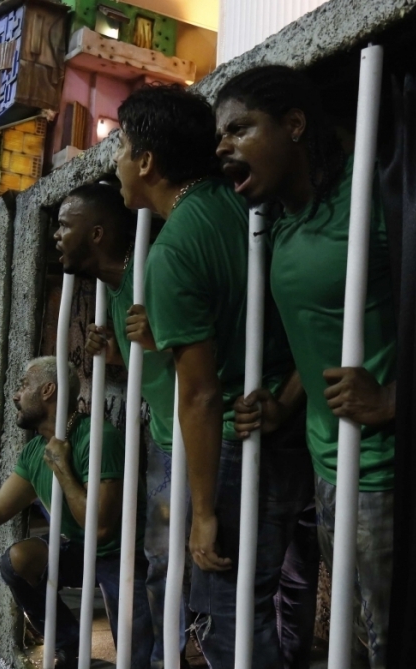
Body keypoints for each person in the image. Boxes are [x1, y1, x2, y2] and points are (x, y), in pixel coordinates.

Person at [114, 84, 319, 669]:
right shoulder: (245, 204)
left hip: (235, 444)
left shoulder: (174, 247)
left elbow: (200, 394)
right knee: (263, 599)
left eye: (122, 146)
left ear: (147, 162)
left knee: (223, 612)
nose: (118, 162)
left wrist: (202, 513)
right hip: (286, 427)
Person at [216, 64, 398, 668]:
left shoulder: (370, 197)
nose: (224, 146)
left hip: (381, 467)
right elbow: (314, 335)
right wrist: (285, 403)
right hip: (329, 460)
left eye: (240, 128)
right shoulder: (284, 223)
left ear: (294, 125)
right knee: (349, 637)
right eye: (221, 135)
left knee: (386, 641)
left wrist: (396, 399)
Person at [0, 357, 154, 669]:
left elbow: (101, 528)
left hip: (127, 556)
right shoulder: (36, 450)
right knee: (16, 561)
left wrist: (63, 469)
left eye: (24, 386)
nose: (15, 395)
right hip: (83, 551)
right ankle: (69, 644)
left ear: (48, 391)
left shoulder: (97, 437)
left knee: (140, 661)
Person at [54, 181, 185, 667]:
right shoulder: (116, 290)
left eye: (65, 225)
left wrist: (156, 338)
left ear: (98, 234)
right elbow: (148, 363)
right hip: (164, 433)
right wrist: (112, 351)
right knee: (158, 563)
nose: (56, 236)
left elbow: (195, 347)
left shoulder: (152, 269)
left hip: (187, 433)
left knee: (170, 565)